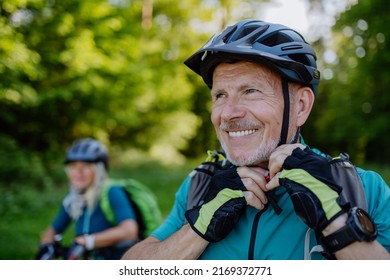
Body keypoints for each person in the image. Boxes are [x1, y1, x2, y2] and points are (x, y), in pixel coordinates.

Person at [121, 19, 390, 260]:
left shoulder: (361, 188)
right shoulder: (200, 187)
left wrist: (336, 219)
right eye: (220, 95)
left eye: (250, 91)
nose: (228, 113)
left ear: (300, 107)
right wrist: (197, 228)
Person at [36, 138, 139, 259]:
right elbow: (52, 230)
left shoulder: (112, 191)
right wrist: (47, 244)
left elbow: (129, 231)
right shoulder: (74, 197)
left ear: (101, 169)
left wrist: (87, 241)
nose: (79, 172)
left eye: (86, 166)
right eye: (73, 166)